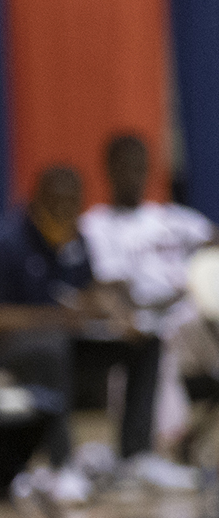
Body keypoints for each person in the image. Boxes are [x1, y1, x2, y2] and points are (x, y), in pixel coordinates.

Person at [0, 165, 174, 502]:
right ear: (38, 202)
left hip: (66, 338)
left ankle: (136, 456)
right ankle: (61, 467)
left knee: (144, 340)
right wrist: (60, 317)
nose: (67, 216)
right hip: (5, 350)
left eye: (74, 207)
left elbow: (86, 290)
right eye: (59, 207)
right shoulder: (2, 244)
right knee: (52, 348)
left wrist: (113, 310)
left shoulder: (76, 238)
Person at [79, 133, 213, 484]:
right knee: (154, 336)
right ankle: (151, 454)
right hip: (144, 321)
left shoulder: (170, 218)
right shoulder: (96, 225)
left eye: (141, 168)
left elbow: (211, 238)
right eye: (126, 167)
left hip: (192, 319)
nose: (134, 176)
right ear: (109, 170)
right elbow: (111, 287)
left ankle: (181, 447)